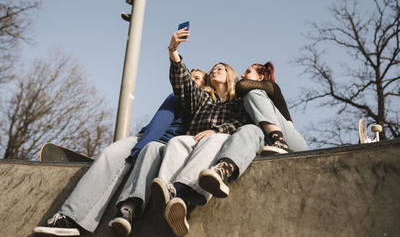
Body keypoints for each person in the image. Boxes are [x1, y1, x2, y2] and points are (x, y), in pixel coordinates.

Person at [33, 69, 207, 237]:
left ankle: (126, 208)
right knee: (109, 154)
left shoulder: (206, 104)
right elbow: (159, 123)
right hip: (145, 139)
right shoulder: (177, 96)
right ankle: (69, 219)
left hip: (166, 148)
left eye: (197, 78)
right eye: (190, 77)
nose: (191, 81)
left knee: (150, 151)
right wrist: (137, 151)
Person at [149, 28, 250, 236]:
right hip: (193, 140)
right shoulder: (204, 100)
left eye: (220, 69)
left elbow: (243, 122)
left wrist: (215, 130)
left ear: (230, 75)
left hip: (219, 142)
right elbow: (184, 84)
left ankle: (179, 190)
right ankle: (169, 200)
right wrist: (173, 51)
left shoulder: (239, 101)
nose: (214, 71)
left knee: (215, 140)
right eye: (212, 69)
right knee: (177, 143)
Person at [198, 61, 308, 201]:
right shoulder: (239, 101)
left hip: (291, 142)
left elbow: (242, 85)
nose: (243, 75)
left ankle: (279, 141)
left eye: (248, 72)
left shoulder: (270, 88)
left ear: (260, 77)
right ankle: (222, 171)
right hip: (264, 141)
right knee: (248, 129)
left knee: (253, 93)